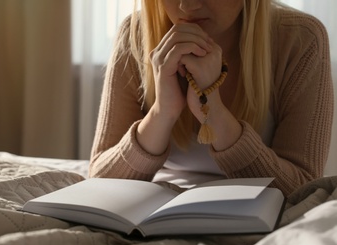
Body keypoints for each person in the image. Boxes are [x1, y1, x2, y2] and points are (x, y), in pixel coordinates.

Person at [89, 0, 334, 196]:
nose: (187, 6)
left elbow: (303, 190)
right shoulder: (137, 35)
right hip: (155, 215)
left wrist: (214, 111)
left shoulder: (300, 39)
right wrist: (163, 112)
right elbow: (100, 179)